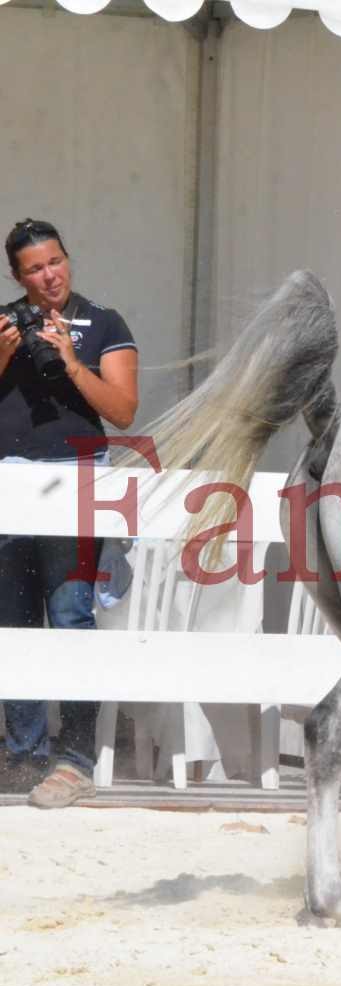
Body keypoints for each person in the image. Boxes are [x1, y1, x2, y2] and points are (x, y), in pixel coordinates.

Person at [0, 218, 139, 807]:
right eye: (34, 269)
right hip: (9, 481)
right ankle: (22, 752)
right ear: (17, 276)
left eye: (54, 261)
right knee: (13, 621)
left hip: (78, 478)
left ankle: (74, 758)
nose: (48, 275)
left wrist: (72, 360)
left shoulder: (103, 320)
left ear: (68, 258)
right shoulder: (5, 321)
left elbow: (125, 411)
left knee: (71, 616)